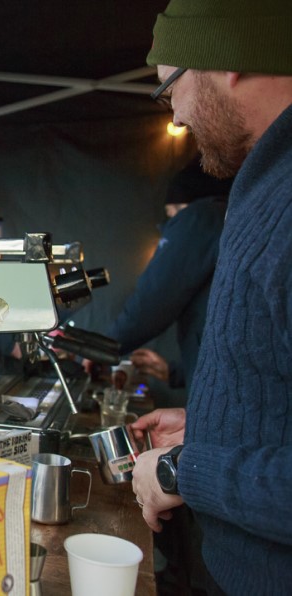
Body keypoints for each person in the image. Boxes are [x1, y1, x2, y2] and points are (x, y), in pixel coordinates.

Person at [131, 1, 292, 594]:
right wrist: (215, 424)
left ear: (229, 63)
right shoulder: (270, 183)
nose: (175, 115)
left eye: (171, 86)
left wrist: (182, 469)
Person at [107, 158, 232, 406]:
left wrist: (101, 348)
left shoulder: (201, 216)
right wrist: (174, 372)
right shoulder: (229, 220)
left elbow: (153, 301)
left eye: (172, 216)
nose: (170, 228)